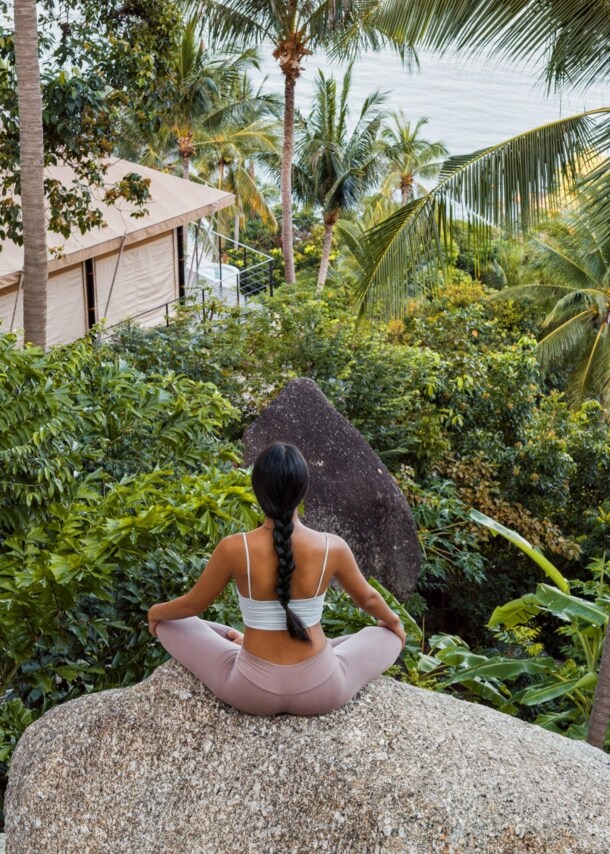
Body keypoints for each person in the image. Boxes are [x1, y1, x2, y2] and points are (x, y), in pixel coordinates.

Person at [147, 442, 406, 715]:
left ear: (257, 490)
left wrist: (155, 613)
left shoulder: (235, 548)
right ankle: (281, 646)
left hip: (250, 692)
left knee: (172, 623)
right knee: (384, 635)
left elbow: (191, 606)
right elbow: (368, 598)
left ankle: (241, 642)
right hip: (322, 690)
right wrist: (394, 623)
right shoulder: (332, 546)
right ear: (302, 490)